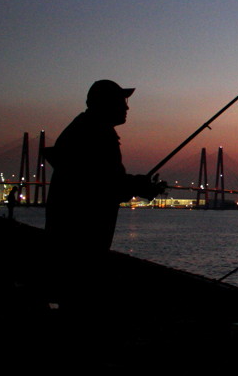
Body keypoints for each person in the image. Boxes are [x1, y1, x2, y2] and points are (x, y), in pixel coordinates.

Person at [46, 80, 164, 252]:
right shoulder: (97, 134)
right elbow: (103, 185)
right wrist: (140, 185)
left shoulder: (84, 128)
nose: (126, 108)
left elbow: (103, 180)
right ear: (105, 104)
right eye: (121, 102)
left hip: (67, 235)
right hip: (82, 237)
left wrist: (138, 185)